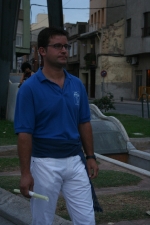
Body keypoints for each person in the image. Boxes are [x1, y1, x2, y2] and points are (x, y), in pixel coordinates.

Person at [14, 26, 102, 225]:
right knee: (43, 220)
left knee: (87, 220)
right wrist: (26, 173)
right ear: (42, 51)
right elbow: (24, 134)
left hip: (75, 161)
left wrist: (90, 157)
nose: (64, 50)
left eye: (66, 46)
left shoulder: (76, 84)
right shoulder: (29, 88)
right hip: (44, 163)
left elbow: (84, 122)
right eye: (58, 46)